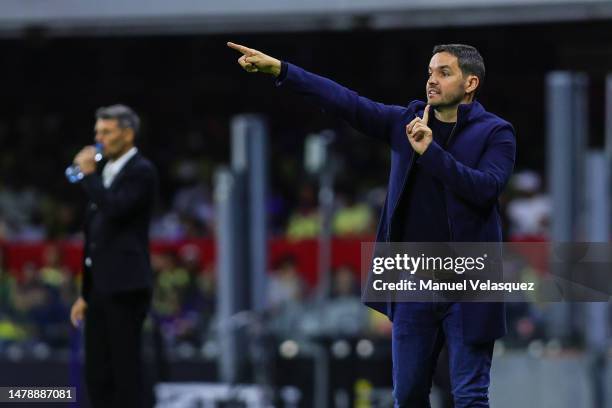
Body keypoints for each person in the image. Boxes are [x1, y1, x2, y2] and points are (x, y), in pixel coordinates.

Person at [228, 42, 516, 407]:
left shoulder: (496, 133)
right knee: (408, 394)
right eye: (430, 72)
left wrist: (431, 153)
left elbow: (485, 190)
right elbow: (346, 101)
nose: (432, 81)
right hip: (414, 275)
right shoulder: (405, 122)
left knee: (470, 396)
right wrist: (283, 70)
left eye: (444, 73)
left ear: (471, 83)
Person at [69, 104, 158, 408]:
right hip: (100, 291)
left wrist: (90, 178)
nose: (99, 138)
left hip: (126, 286)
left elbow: (117, 210)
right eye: (97, 132)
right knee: (97, 374)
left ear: (128, 134)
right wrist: (85, 293)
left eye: (106, 132)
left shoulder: (141, 172)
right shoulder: (105, 171)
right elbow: (95, 240)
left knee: (125, 372)